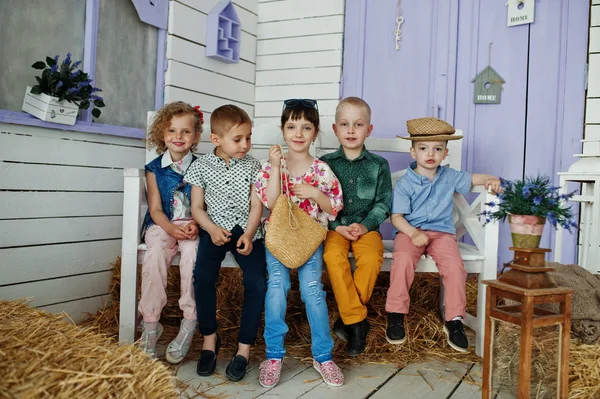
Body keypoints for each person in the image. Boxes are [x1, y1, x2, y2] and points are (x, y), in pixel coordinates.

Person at [386, 117, 501, 352]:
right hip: (410, 233)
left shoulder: (450, 177)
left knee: (455, 267)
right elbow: (396, 217)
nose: (431, 154)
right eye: (423, 148)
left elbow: (474, 179)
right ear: (413, 152)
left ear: (445, 153)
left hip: (442, 235)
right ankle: (396, 314)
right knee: (404, 260)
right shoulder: (406, 184)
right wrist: (413, 233)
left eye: (437, 149)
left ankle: (454, 319)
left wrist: (492, 179)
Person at [255, 99, 345, 388]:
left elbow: (333, 209)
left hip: (309, 239)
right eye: (291, 126)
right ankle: (273, 355)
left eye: (306, 127)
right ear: (282, 131)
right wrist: (274, 165)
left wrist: (313, 193)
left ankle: (323, 355)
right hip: (279, 238)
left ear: (315, 133)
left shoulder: (322, 170)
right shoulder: (273, 167)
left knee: (312, 291)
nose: (298, 133)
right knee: (277, 287)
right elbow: (269, 202)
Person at [184, 105, 267, 382]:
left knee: (257, 282)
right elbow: (196, 207)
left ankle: (244, 348)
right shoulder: (201, 166)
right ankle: (210, 340)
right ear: (216, 139)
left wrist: (250, 233)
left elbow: (257, 204)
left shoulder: (254, 165)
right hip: (215, 230)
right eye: (238, 139)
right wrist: (210, 228)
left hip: (247, 232)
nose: (245, 144)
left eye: (248, 137)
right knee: (203, 277)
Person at [320, 97, 392, 356]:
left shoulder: (378, 165)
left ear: (369, 130)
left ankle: (348, 319)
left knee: (372, 258)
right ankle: (358, 323)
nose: (351, 130)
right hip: (335, 228)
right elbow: (321, 202)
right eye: (344, 124)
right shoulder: (325, 163)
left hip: (367, 229)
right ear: (335, 129)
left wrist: (364, 226)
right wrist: (338, 225)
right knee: (332, 256)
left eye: (358, 124)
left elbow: (383, 203)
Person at [138, 101, 203, 363]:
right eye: (172, 131)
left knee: (193, 255)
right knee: (154, 255)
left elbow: (203, 206)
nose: (178, 137)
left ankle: (189, 321)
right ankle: (151, 324)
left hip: (192, 224)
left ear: (195, 136)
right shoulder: (154, 168)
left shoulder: (202, 166)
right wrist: (169, 230)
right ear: (161, 135)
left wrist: (195, 225)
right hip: (161, 225)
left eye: (185, 131)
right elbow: (155, 209)